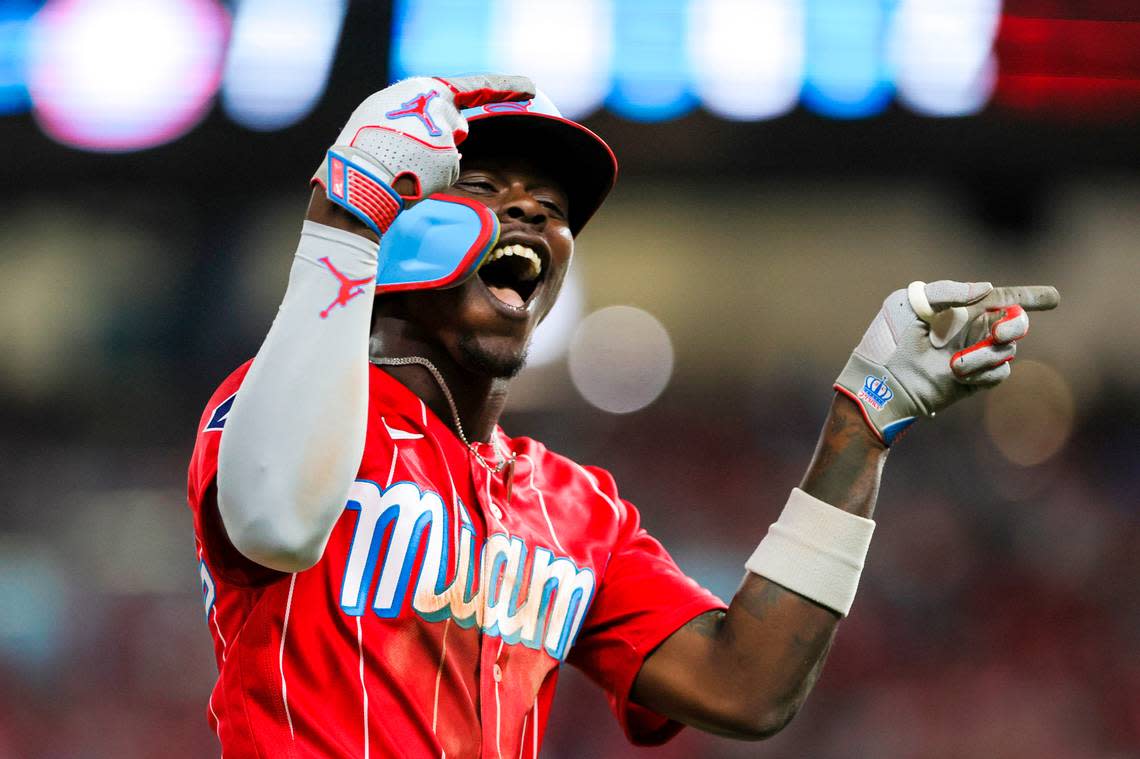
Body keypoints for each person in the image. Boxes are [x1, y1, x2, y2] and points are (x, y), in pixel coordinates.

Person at [187, 74, 1059, 758]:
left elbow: (745, 684)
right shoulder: (280, 404)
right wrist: (346, 218)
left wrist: (862, 422)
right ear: (397, 213)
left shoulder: (576, 508)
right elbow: (276, 517)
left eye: (555, 206)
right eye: (485, 184)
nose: (532, 210)